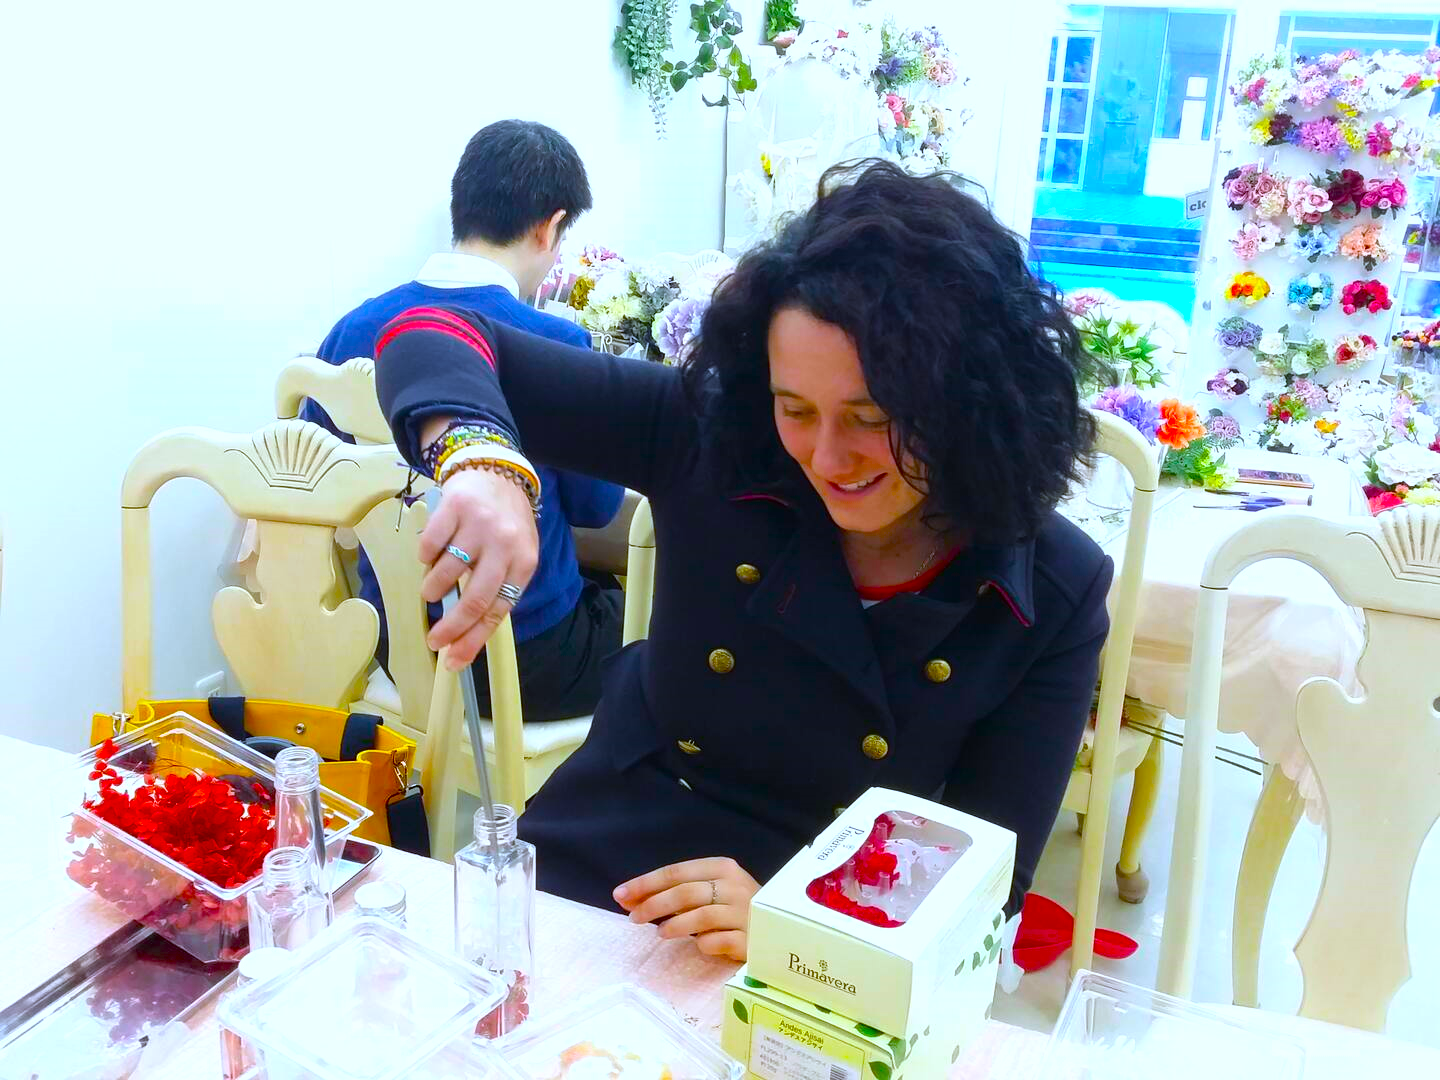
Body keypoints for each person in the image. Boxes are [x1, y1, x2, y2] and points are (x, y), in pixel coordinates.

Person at [375, 160, 1112, 962]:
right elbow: (430, 334)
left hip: (837, 923)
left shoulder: (1054, 587)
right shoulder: (716, 436)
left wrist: (802, 926)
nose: (828, 457)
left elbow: (982, 888)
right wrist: (481, 459)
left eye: (872, 419)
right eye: (795, 409)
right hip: (614, 841)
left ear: (974, 404)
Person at [305, 119, 624, 722]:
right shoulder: (552, 340)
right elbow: (598, 509)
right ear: (548, 227)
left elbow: (318, 478)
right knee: (643, 611)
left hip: (395, 645)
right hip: (528, 661)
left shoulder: (353, 328)